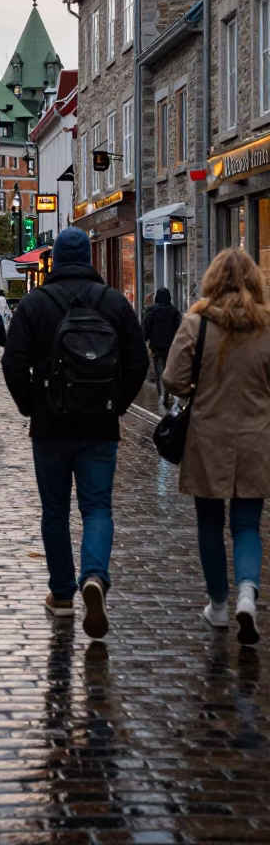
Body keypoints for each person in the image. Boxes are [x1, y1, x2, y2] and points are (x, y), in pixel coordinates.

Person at [2, 227, 147, 639]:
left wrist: (33, 405)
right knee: (98, 508)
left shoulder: (35, 304)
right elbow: (138, 362)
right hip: (99, 424)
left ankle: (62, 594)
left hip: (50, 427)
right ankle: (95, 576)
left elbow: (13, 364)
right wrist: (115, 404)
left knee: (55, 512)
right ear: (90, 259)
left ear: (56, 261)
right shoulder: (114, 302)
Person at [163, 248, 270, 645]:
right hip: (257, 435)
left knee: (209, 524)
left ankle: (219, 605)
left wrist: (198, 388)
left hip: (208, 435)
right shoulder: (266, 325)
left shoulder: (197, 323)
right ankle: (247, 592)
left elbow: (173, 379)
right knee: (246, 525)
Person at [143, 287, 181, 402]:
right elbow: (178, 329)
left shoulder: (151, 310)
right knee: (168, 368)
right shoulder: (174, 311)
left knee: (159, 369)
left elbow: (146, 326)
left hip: (156, 345)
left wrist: (144, 338)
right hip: (170, 346)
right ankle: (167, 391)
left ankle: (162, 394)